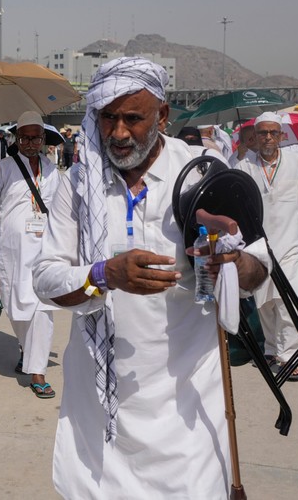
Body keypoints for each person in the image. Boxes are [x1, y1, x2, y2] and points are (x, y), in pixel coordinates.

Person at [31, 57, 270, 498]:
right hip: (99, 402)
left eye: (133, 118)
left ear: (163, 116)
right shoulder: (79, 184)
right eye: (107, 117)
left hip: (186, 402)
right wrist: (104, 275)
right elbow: (45, 278)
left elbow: (260, 265)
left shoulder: (203, 171)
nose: (118, 133)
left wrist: (232, 267)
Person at [236, 111, 298, 381]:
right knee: (264, 301)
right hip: (257, 246)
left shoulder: (297, 162)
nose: (267, 138)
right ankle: (270, 348)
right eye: (262, 133)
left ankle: (289, 357)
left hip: (291, 243)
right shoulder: (244, 166)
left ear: (281, 135)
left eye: (273, 133)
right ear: (255, 136)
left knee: (288, 300)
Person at [0, 111, 61, 398]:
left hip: (45, 250)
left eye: (35, 137)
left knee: (42, 307)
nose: (29, 142)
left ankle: (37, 372)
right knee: (17, 307)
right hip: (12, 253)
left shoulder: (52, 171)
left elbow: (61, 211)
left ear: (44, 139)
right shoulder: (2, 168)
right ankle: (27, 349)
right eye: (23, 137)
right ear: (16, 139)